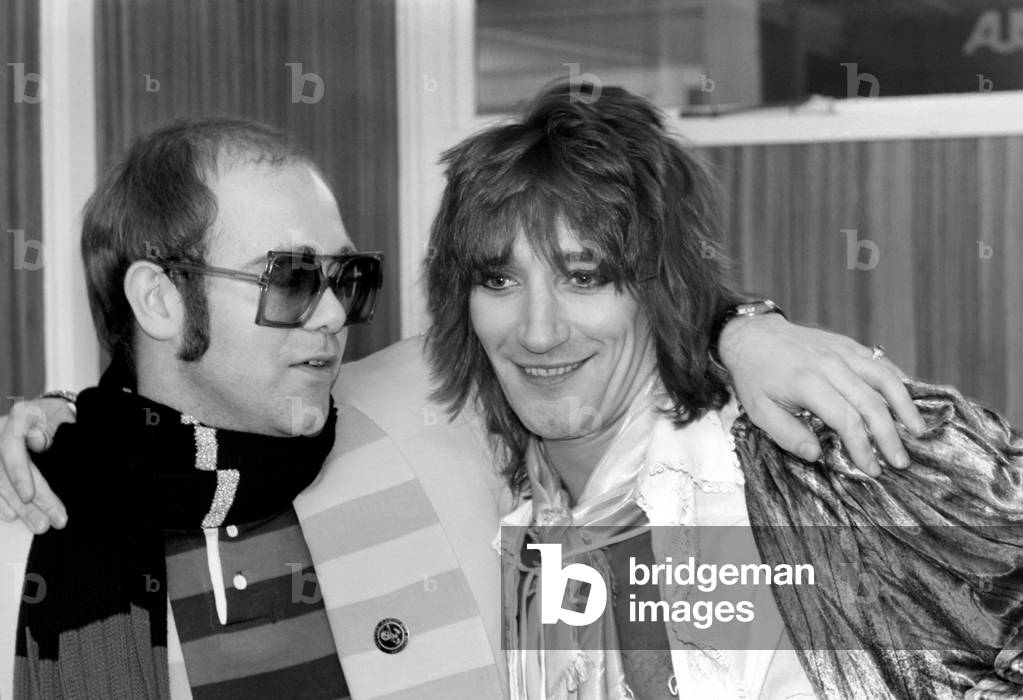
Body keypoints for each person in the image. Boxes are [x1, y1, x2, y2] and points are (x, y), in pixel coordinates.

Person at [0, 113, 926, 699]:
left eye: (346, 278)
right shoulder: (34, 519)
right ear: (158, 300)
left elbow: (585, 334)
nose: (332, 317)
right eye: (290, 280)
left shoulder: (423, 404)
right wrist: (55, 421)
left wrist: (746, 330)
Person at [422, 82, 1023, 699]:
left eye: (585, 277)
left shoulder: (820, 455)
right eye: (499, 279)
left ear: (661, 290)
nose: (538, 331)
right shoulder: (518, 531)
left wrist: (742, 326)